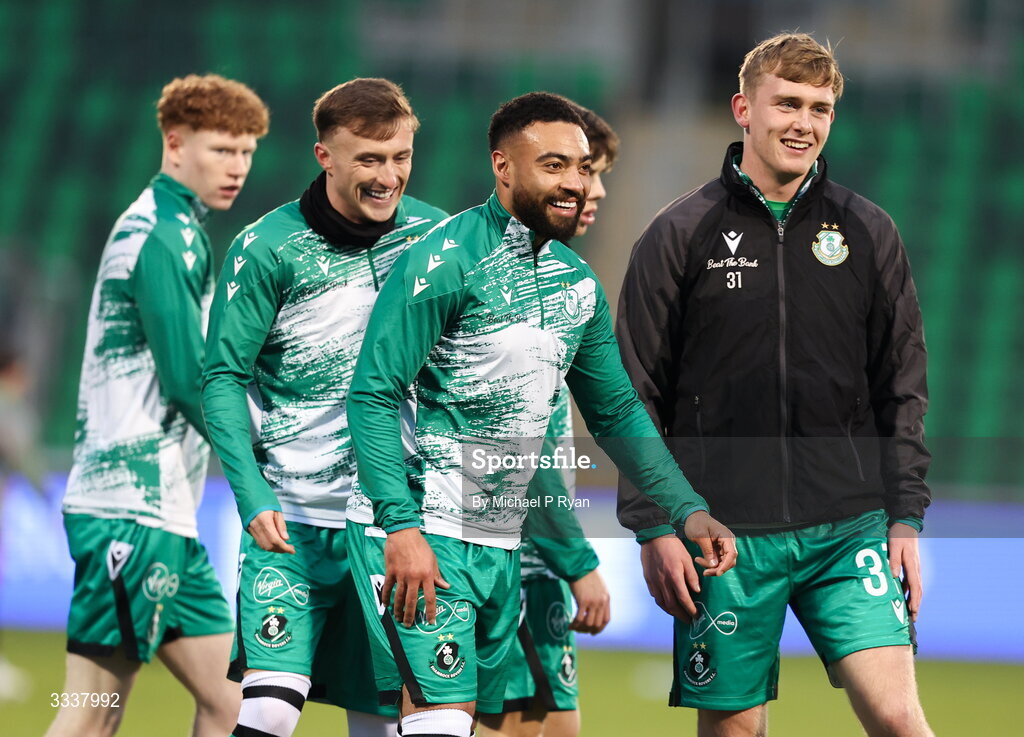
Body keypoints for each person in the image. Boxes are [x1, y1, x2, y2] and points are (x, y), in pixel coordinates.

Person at [344, 91, 737, 737]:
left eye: (583, 167)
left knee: (490, 728)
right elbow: (373, 393)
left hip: (501, 548)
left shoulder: (576, 283)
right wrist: (401, 526)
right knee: (439, 723)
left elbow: (617, 411)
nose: (576, 183)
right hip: (426, 530)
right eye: (554, 165)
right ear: (503, 166)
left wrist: (686, 507)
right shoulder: (443, 261)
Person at [616, 33, 934, 737]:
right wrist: (653, 523)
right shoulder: (678, 234)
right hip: (723, 535)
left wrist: (905, 516)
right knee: (736, 731)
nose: (804, 123)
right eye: (786, 103)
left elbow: (902, 384)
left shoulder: (868, 231)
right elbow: (633, 391)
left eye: (820, 108)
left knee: (899, 718)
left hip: (848, 527)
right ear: (743, 109)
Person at [201, 78, 447, 737]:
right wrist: (251, 494)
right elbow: (222, 377)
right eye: (369, 158)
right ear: (324, 155)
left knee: (378, 724)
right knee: (271, 709)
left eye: (400, 156)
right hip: (292, 522)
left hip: (394, 528)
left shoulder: (435, 239)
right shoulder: (267, 247)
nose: (388, 174)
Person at [49, 74, 268, 737]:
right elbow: (186, 377)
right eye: (222, 149)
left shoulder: (177, 229)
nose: (237, 167)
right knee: (90, 716)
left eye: (246, 152)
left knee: (231, 702)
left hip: (161, 512)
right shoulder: (163, 236)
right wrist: (263, 454)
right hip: (128, 510)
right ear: (175, 144)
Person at [478, 104, 621, 737]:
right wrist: (577, 559)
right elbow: (515, 450)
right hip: (513, 554)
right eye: (584, 172)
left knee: (556, 726)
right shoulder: (507, 287)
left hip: (532, 555)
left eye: (594, 172)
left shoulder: (561, 286)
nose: (595, 191)